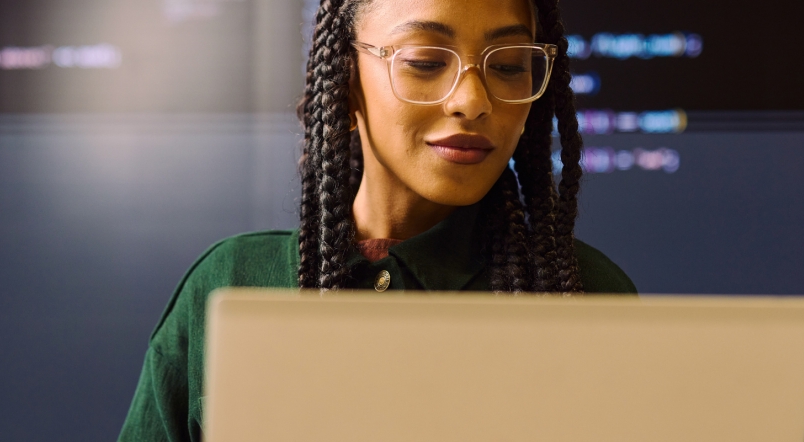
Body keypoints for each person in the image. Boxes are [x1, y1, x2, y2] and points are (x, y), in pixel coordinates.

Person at [119, 0, 635, 439]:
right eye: (425, 61)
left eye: (507, 66)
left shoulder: (583, 295)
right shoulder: (231, 282)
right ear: (346, 82)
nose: (473, 101)